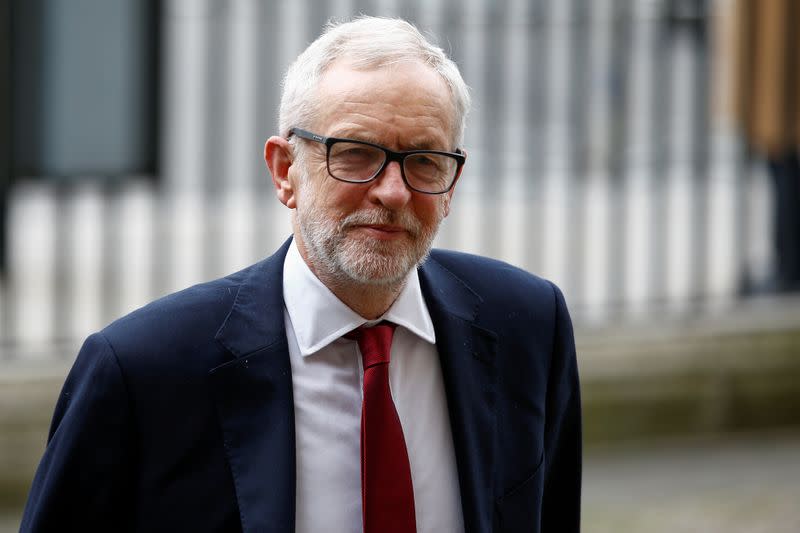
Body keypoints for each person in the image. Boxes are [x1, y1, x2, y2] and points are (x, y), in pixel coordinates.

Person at [21, 16, 581, 533]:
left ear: (452, 185)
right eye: (356, 154)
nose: (393, 191)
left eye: (424, 161)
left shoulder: (528, 326)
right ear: (285, 170)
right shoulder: (144, 370)